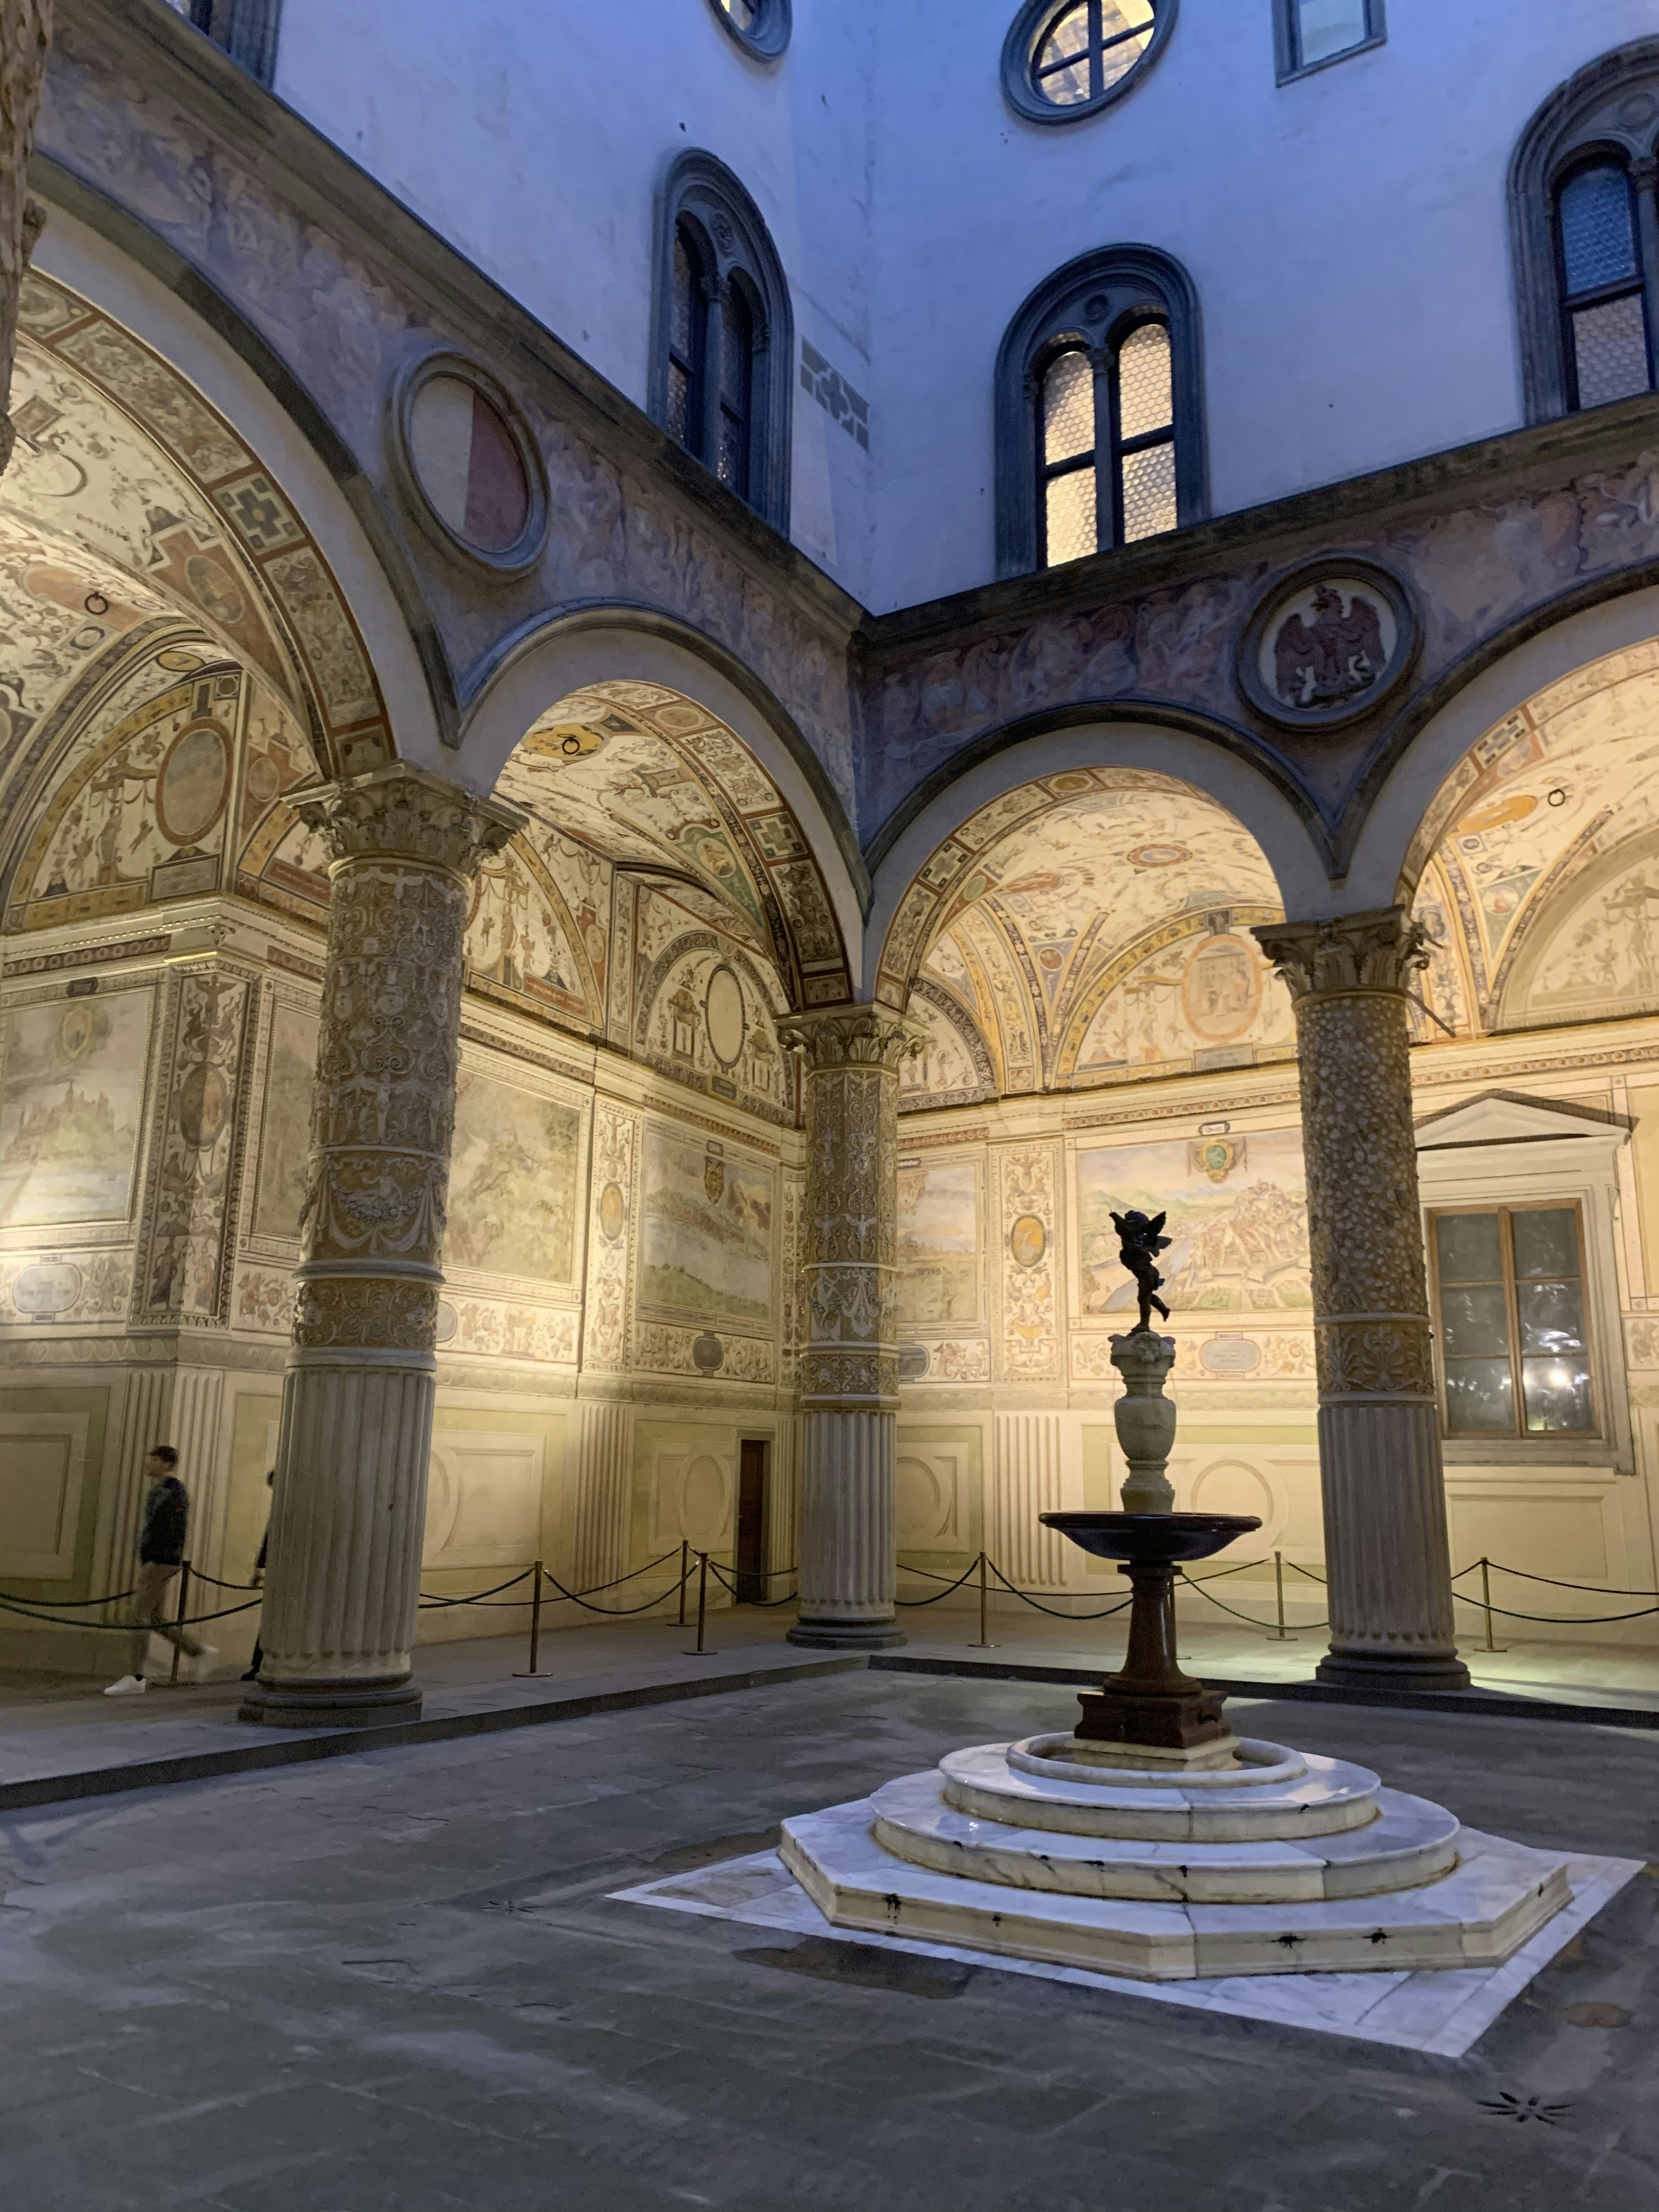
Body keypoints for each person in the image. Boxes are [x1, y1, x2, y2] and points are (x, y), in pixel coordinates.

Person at [103, 1444, 218, 1696]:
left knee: (138, 1615)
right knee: (155, 1618)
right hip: (157, 1559)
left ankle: (136, 1676)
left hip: (160, 1561)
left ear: (167, 1464)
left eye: (154, 1458)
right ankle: (198, 1652)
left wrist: (156, 1559)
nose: (148, 1462)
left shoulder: (172, 1492)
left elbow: (172, 1529)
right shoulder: (162, 1491)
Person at [241, 1468, 275, 1684]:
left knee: (272, 1619)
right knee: (270, 1619)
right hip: (276, 1569)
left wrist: (260, 1566)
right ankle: (259, 1663)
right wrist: (259, 1566)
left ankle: (260, 1663)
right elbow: (269, 1537)